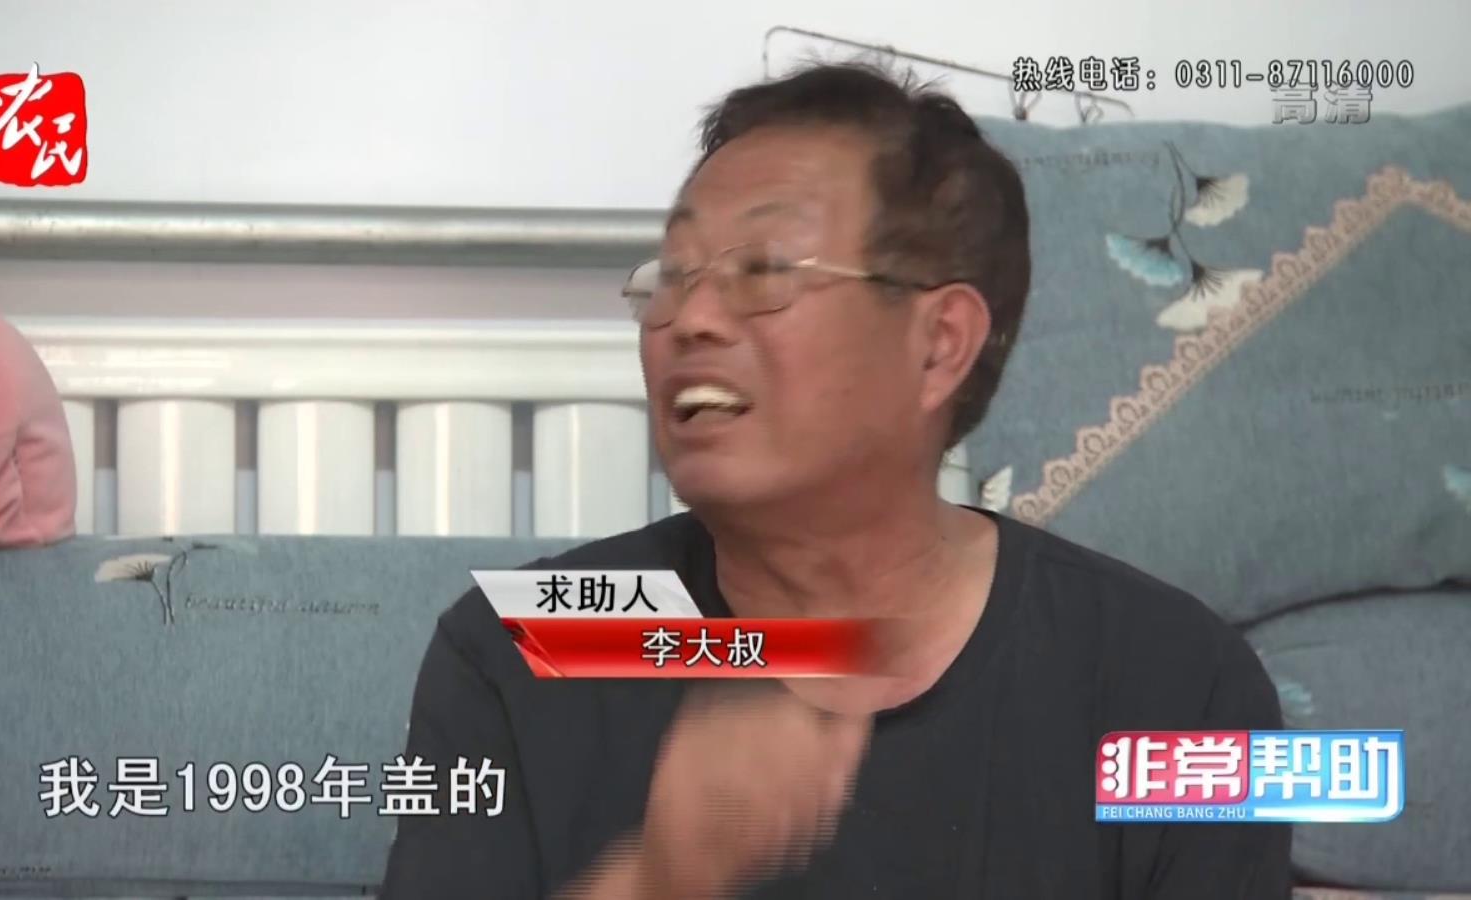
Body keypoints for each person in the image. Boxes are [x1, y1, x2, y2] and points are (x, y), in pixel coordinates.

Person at [380, 62, 1290, 899]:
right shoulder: (526, 644)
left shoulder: (1177, 687)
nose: (689, 319)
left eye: (765, 271)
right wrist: (657, 880)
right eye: (675, 274)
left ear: (938, 346)